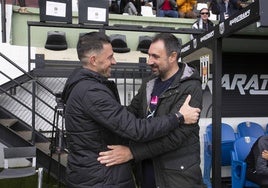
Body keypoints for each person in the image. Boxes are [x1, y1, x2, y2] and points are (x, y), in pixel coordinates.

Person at [61, 31, 201, 188]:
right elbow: (131, 118)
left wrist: (133, 152)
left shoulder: (190, 86)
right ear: (93, 60)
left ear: (172, 56)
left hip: (176, 175)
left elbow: (176, 137)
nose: (149, 61)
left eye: (155, 56)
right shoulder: (149, 83)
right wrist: (178, 116)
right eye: (149, 55)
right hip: (146, 170)